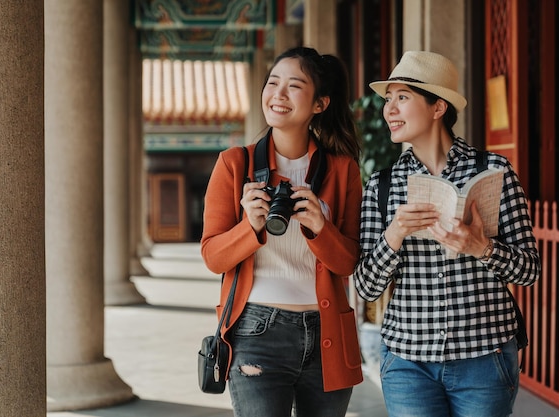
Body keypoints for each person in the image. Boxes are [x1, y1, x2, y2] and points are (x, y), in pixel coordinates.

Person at [353, 50, 541, 417]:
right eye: (388, 99)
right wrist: (395, 233)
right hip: (409, 362)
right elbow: (365, 287)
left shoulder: (495, 171)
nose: (389, 109)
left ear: (438, 107)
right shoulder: (383, 185)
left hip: (485, 358)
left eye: (402, 97)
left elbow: (530, 271)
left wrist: (482, 247)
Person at [201, 46, 364, 417]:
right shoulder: (234, 164)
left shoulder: (342, 170)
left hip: (328, 333)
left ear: (319, 104)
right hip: (258, 332)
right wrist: (251, 226)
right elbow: (213, 257)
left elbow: (348, 262)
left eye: (294, 86)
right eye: (273, 83)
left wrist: (320, 228)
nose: (278, 94)